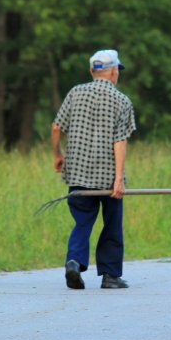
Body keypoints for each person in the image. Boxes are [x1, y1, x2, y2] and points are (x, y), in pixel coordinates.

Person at [51, 49, 136, 289]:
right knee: (112, 223)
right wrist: (118, 178)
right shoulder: (122, 100)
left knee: (82, 221)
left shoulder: (75, 93)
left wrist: (58, 156)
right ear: (113, 72)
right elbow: (119, 140)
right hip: (109, 178)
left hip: (77, 173)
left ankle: (74, 262)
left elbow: (56, 128)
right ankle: (110, 276)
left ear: (92, 71)